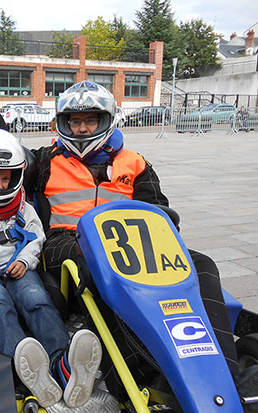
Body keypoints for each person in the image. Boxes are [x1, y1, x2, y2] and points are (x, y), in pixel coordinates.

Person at [31, 80, 257, 404]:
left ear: (107, 120)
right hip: (67, 246)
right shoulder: (44, 162)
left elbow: (158, 212)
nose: (82, 129)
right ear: (64, 123)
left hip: (133, 245)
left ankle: (223, 373)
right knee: (104, 277)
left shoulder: (134, 163)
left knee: (202, 265)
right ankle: (142, 378)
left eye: (90, 120)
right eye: (75, 121)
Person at [0, 129, 113, 410]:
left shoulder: (23, 207)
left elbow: (37, 237)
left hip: (18, 268)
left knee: (36, 299)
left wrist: (25, 261)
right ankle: (22, 367)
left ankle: (63, 364)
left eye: (6, 179)